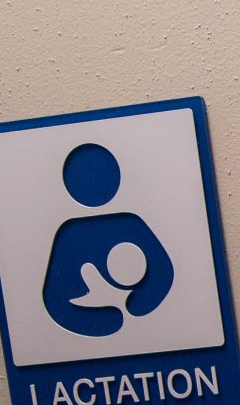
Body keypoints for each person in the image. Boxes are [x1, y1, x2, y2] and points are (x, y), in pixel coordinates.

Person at [41, 142, 174, 337]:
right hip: (96, 313)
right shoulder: (71, 233)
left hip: (133, 311)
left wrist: (138, 303)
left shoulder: (129, 223)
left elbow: (161, 273)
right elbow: (56, 300)